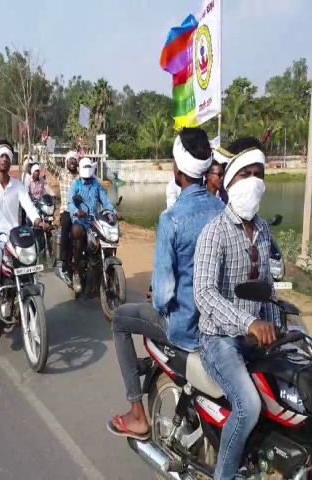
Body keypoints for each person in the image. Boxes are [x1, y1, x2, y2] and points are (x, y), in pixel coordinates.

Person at [106, 127, 225, 440]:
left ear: (177, 169)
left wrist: (160, 298)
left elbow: (161, 295)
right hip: (221, 327)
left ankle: (136, 414)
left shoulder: (172, 219)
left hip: (183, 329)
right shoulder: (224, 211)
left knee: (120, 321)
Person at [194, 137, 280, 480]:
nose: (254, 182)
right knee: (249, 406)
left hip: (254, 337)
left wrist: (275, 325)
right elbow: (204, 294)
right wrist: (249, 323)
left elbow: (269, 287)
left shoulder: (262, 230)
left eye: (259, 174)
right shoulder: (214, 232)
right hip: (219, 341)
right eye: (246, 173)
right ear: (229, 181)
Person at [0, 141, 49, 337]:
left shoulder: (17, 186)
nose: (4, 159)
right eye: (1, 156)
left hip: (14, 237)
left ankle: (24, 298)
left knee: (29, 261)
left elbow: (29, 206)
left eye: (8, 156)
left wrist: (39, 221)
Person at [68, 157, 120, 293]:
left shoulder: (97, 185)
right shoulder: (76, 186)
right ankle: (77, 273)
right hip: (80, 221)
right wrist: (76, 211)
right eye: (84, 167)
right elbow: (70, 203)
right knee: (78, 234)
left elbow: (106, 202)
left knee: (106, 241)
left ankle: (101, 273)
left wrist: (115, 212)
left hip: (95, 221)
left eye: (88, 167)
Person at [57, 152, 79, 282]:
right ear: (66, 162)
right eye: (70, 160)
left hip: (79, 212)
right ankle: (65, 260)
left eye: (74, 160)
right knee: (66, 227)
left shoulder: (81, 176)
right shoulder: (62, 173)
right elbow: (47, 164)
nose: (72, 162)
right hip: (66, 210)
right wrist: (45, 145)